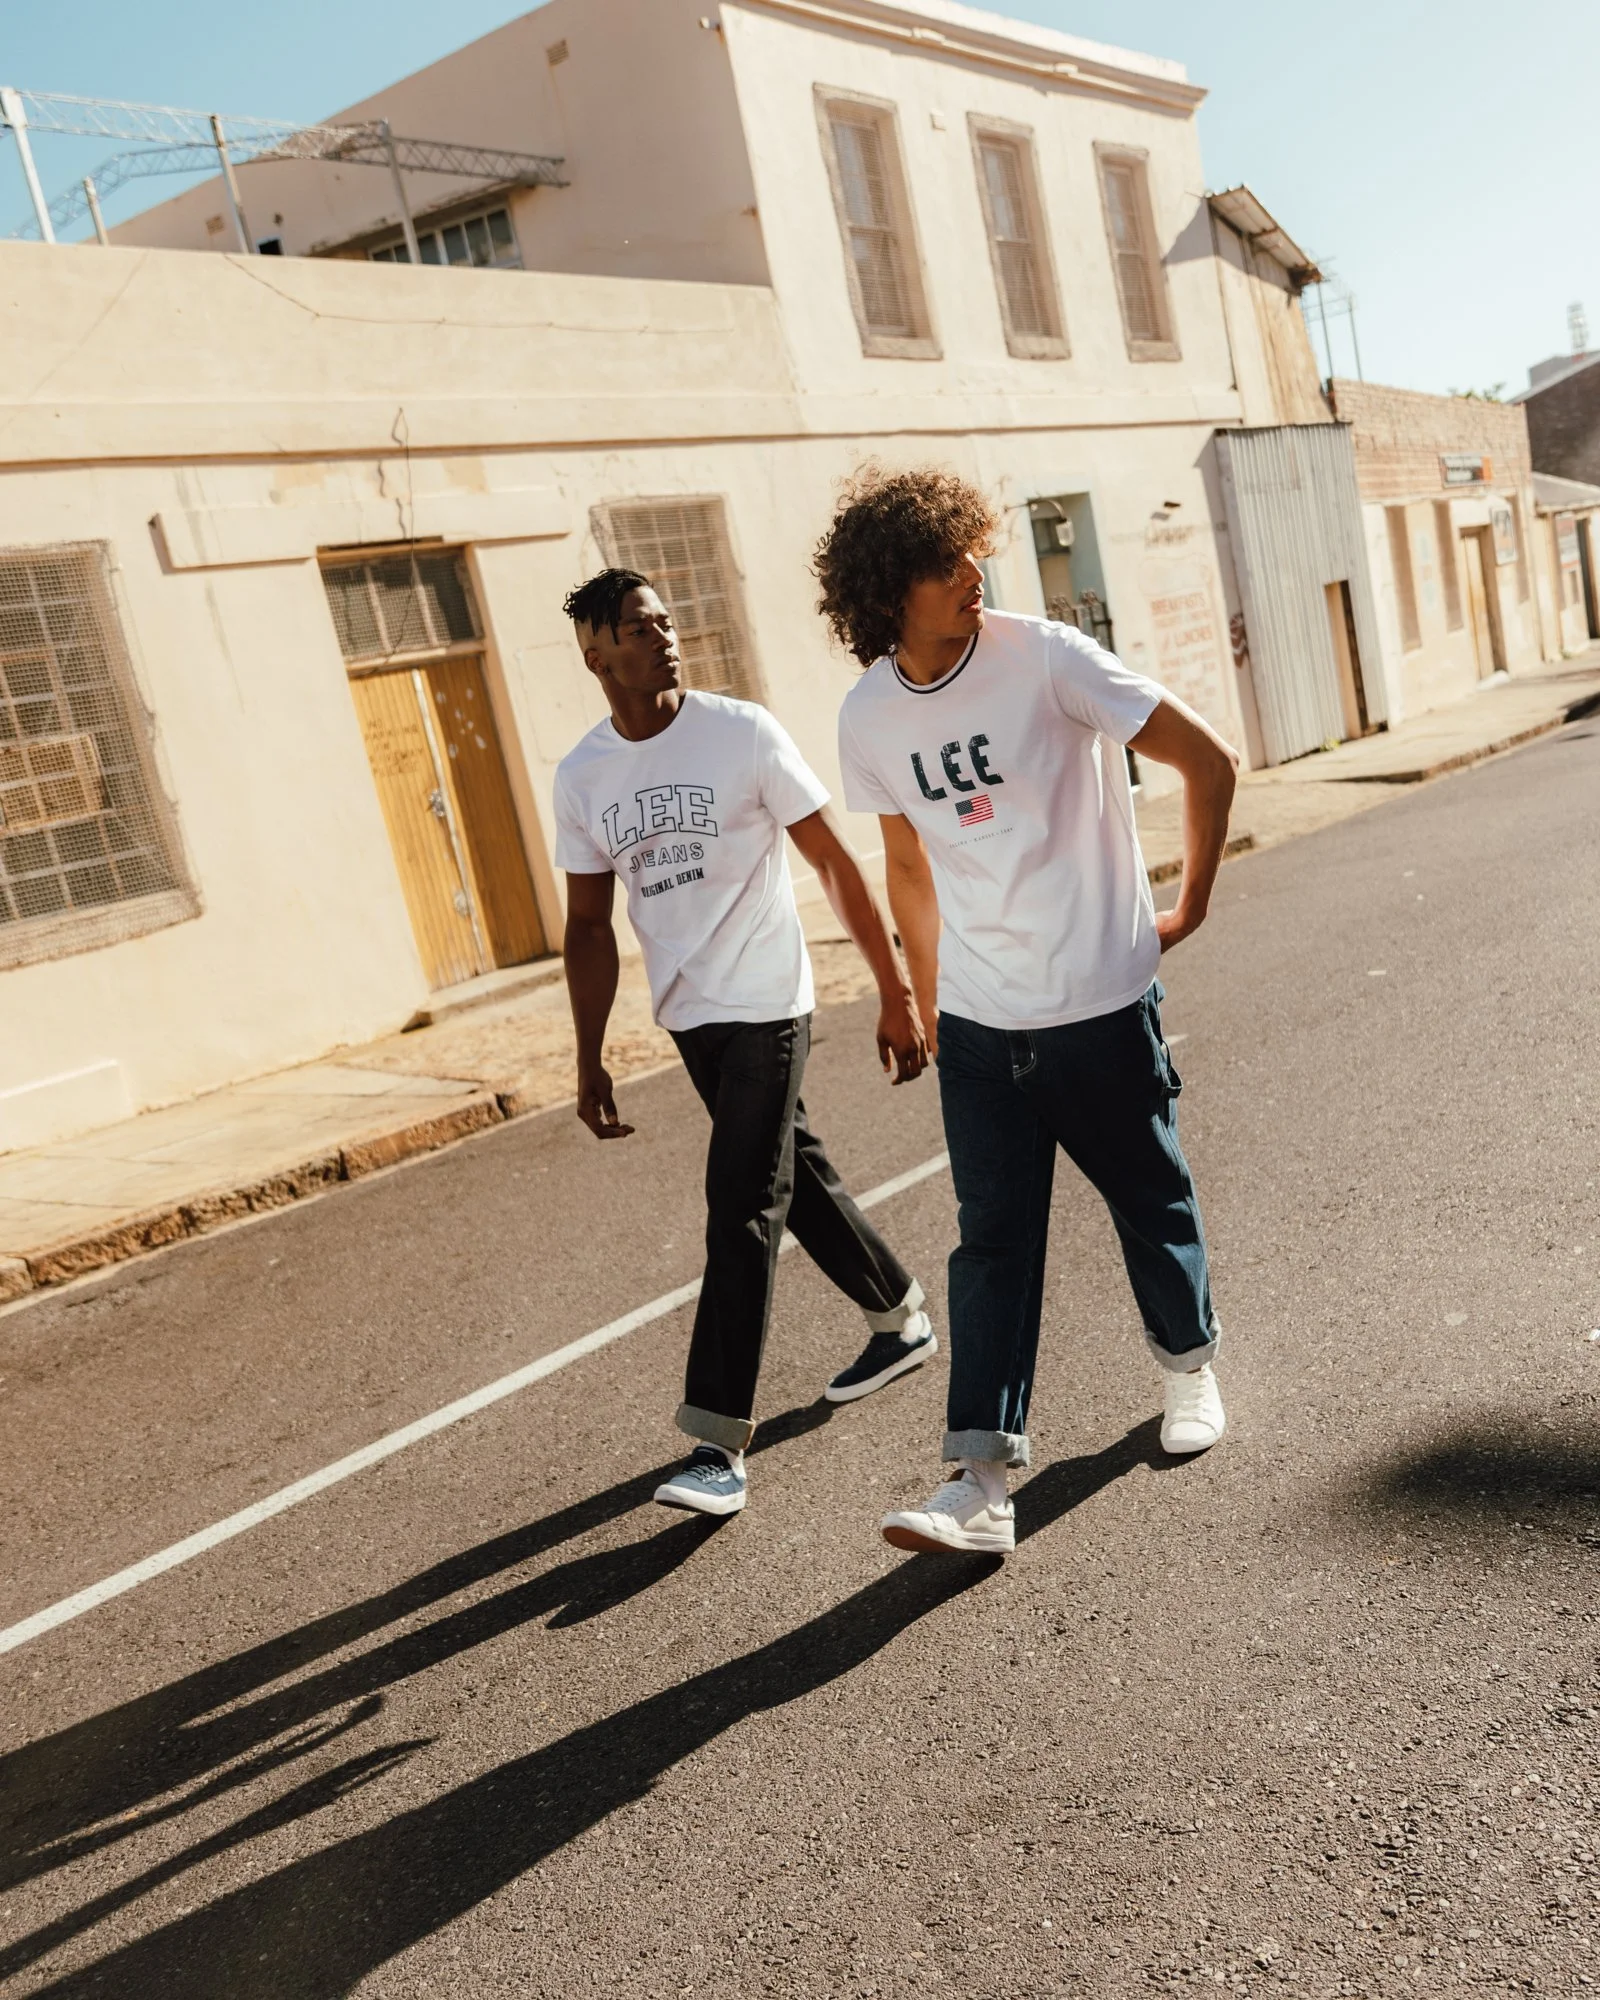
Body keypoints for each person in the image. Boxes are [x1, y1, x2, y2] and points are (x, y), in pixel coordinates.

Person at [815, 468, 1239, 1557]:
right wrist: (916, 992)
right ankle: (979, 1478)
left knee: (1152, 1200)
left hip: (1098, 1001)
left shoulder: (1045, 654)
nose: (973, 571)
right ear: (885, 593)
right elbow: (906, 862)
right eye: (944, 561)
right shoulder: (867, 715)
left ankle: (1189, 1367)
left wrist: (1183, 905)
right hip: (982, 1027)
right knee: (990, 1244)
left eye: (973, 550)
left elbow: (1205, 756)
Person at [553, 567, 936, 1519]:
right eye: (639, 628)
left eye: (665, 620)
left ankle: (718, 1440)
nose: (664, 635)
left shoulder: (743, 732)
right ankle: (899, 1316)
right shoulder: (584, 776)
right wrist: (588, 1051)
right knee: (788, 1171)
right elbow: (589, 927)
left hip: (769, 998)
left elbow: (834, 865)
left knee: (740, 1203)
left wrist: (893, 990)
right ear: (596, 654)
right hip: (690, 1018)